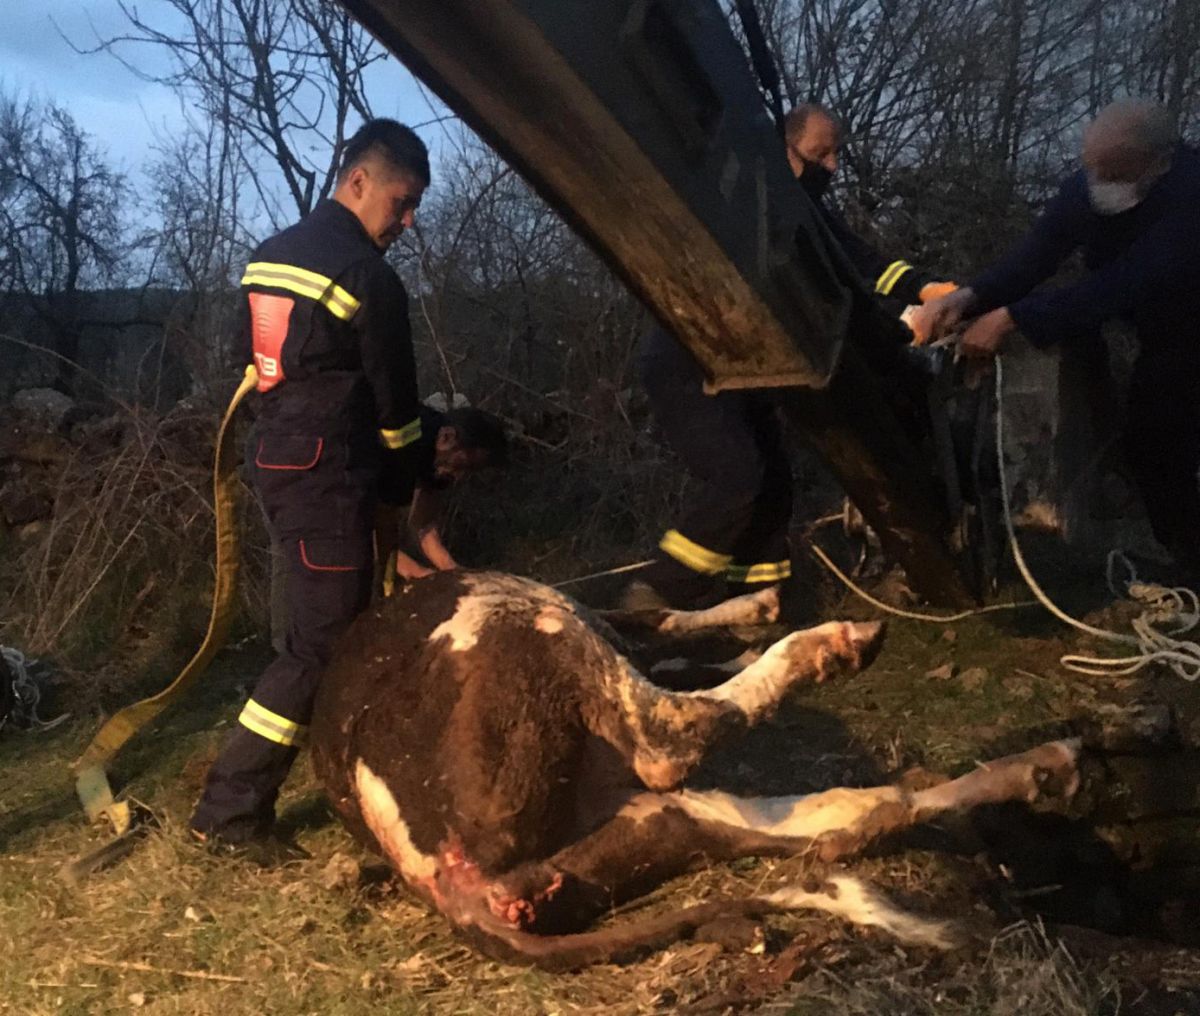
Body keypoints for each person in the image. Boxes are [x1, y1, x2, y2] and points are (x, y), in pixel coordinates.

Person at [190, 119, 431, 851]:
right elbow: (398, 411)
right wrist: (403, 498)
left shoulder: (270, 257)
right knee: (318, 649)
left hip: (278, 461)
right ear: (359, 182)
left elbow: (253, 359)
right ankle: (230, 811)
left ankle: (349, 769)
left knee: (313, 630)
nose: (409, 221)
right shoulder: (366, 277)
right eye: (403, 202)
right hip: (329, 479)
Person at [623, 103, 955, 612]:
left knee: (774, 482)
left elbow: (858, 262)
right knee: (739, 473)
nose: (833, 167)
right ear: (784, 149)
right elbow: (837, 283)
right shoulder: (747, 204)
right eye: (822, 153)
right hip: (691, 364)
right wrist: (897, 333)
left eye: (837, 154)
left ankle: (754, 598)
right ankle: (656, 593)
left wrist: (930, 288)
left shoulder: (807, 213)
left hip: (748, 370)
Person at [914, 100, 1200, 578]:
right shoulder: (1085, 193)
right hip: (1163, 338)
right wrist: (970, 297)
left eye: (1112, 169)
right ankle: (1189, 562)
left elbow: (1125, 283)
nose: (1097, 180)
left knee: (1166, 435)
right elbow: (1035, 255)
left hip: (1188, 327)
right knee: (1153, 443)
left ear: (1157, 161)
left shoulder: (1190, 197)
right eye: (1091, 166)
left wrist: (1012, 319)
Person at [375, 402, 509, 589]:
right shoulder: (404, 443)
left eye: (471, 471)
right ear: (447, 437)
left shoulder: (441, 462)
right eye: (464, 465)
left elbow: (423, 524)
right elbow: (362, 527)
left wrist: (452, 571)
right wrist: (417, 573)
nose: (460, 476)